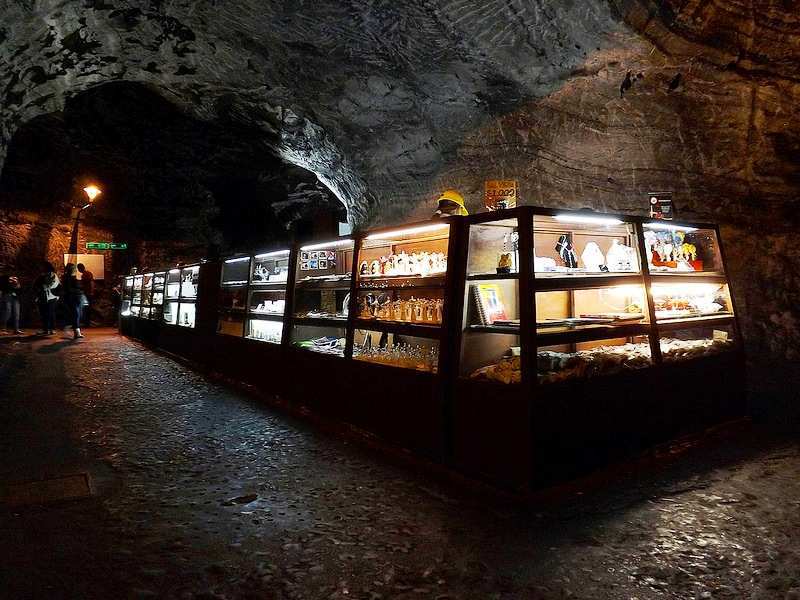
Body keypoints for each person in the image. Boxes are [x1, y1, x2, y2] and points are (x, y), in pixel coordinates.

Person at [35, 262, 60, 335]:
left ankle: (50, 329)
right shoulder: (42, 276)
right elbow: (36, 285)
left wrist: (44, 287)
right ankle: (47, 329)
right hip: (44, 297)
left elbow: (53, 284)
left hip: (51, 297)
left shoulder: (53, 275)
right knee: (45, 313)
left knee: (49, 313)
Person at [63, 263, 84, 339]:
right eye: (73, 268)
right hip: (72, 298)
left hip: (76, 297)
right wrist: (79, 290)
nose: (75, 270)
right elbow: (69, 289)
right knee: (76, 314)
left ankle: (76, 331)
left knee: (77, 314)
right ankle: (76, 332)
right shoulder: (67, 278)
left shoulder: (71, 277)